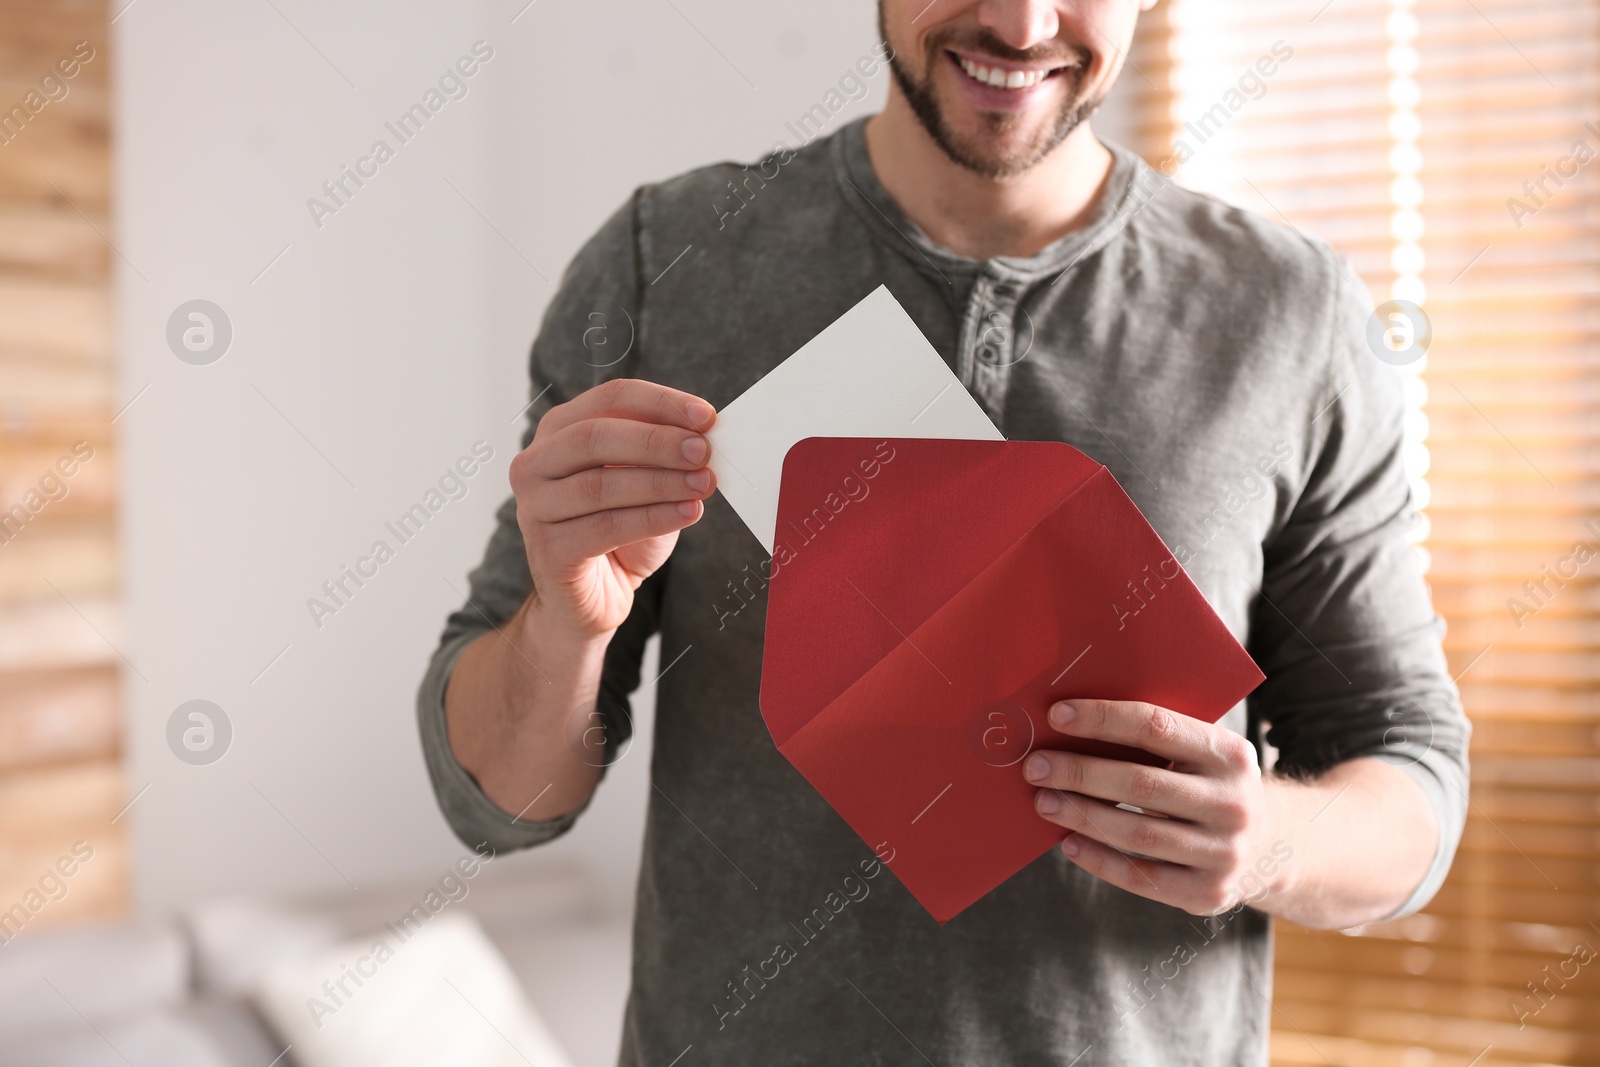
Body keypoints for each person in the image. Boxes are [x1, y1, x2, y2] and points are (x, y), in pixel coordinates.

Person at [419, 1, 1469, 1062]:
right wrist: (564, 625)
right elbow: (501, 805)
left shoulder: (1292, 316)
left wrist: (1270, 842)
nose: (1019, 22)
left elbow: (1409, 774)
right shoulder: (665, 263)